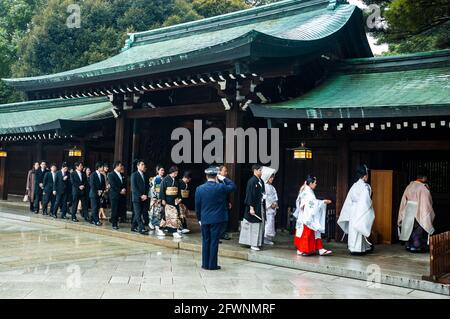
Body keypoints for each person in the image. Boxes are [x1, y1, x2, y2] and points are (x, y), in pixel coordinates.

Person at [195, 166, 236, 270]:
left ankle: (205, 264)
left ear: (206, 175)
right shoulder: (221, 187)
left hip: (204, 218)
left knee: (205, 241)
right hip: (217, 219)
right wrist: (223, 178)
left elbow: (197, 206)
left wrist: (199, 219)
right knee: (214, 241)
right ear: (216, 176)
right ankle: (212, 265)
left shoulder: (199, 189)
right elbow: (233, 186)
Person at [338, 165, 375, 255]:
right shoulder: (366, 187)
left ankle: (355, 247)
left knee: (354, 228)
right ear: (365, 176)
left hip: (353, 209)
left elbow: (348, 200)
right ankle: (358, 249)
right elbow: (367, 200)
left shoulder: (354, 186)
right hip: (361, 208)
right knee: (360, 226)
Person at [294, 175, 333, 256]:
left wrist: (320, 203)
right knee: (307, 233)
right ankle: (304, 249)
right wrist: (323, 202)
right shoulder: (307, 191)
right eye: (315, 183)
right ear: (311, 183)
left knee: (314, 232)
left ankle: (319, 248)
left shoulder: (306, 190)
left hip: (308, 214)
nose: (316, 184)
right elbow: (309, 203)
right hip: (307, 215)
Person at [398, 169, 435, 253]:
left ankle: (408, 245)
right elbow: (427, 202)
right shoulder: (423, 188)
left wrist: (403, 211)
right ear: (424, 178)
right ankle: (416, 246)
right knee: (418, 228)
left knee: (409, 228)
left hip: (408, 209)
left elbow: (404, 200)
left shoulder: (409, 186)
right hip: (419, 210)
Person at [239, 165, 266, 251]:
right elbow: (249, 195)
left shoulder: (261, 181)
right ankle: (253, 244)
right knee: (254, 225)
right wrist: (251, 207)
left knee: (259, 224)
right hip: (253, 206)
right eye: (260, 170)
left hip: (260, 205)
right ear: (255, 171)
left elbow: (263, 193)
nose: (261, 172)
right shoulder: (252, 181)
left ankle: (257, 242)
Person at [160, 165, 183, 239]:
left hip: (175, 199)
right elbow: (162, 190)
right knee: (168, 215)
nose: (176, 174)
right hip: (167, 199)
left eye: (177, 173)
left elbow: (178, 190)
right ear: (171, 172)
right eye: (175, 173)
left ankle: (161, 228)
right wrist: (163, 199)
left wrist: (180, 198)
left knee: (173, 215)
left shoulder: (176, 180)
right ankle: (174, 232)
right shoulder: (165, 179)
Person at [131, 160, 150, 235]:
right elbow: (134, 187)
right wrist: (140, 195)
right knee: (138, 213)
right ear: (138, 166)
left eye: (144, 164)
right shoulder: (134, 175)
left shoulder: (145, 175)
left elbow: (147, 186)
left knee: (139, 213)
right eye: (142, 164)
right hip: (137, 198)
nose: (143, 166)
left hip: (144, 197)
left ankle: (133, 227)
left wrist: (145, 195)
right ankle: (141, 228)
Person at [262, 166, 278, 245]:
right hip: (267, 208)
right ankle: (265, 238)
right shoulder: (264, 186)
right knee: (267, 223)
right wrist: (270, 205)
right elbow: (265, 197)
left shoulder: (272, 187)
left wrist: (275, 203)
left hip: (272, 208)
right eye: (270, 178)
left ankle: (269, 238)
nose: (272, 179)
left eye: (272, 178)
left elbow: (275, 197)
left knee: (271, 223)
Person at [108, 161, 127, 230]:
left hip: (121, 195)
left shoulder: (121, 174)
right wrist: (120, 190)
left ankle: (115, 220)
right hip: (114, 195)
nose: (121, 167)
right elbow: (113, 185)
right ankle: (114, 224)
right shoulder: (111, 174)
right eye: (120, 166)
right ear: (116, 166)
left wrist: (124, 189)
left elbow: (123, 183)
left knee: (119, 209)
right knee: (114, 209)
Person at [149, 165, 165, 236]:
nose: (163, 172)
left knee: (161, 212)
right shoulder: (156, 179)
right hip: (156, 198)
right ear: (157, 171)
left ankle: (156, 224)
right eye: (161, 170)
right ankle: (156, 226)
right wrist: (155, 197)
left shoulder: (163, 179)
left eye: (163, 170)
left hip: (161, 198)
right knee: (156, 212)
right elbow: (153, 189)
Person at [89, 162, 106, 226]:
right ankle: (96, 221)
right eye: (102, 167)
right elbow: (92, 184)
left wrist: (102, 191)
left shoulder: (102, 175)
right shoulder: (93, 174)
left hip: (100, 193)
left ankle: (92, 219)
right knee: (95, 207)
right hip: (93, 194)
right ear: (99, 167)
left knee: (97, 207)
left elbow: (103, 184)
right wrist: (97, 191)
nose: (103, 168)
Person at [218, 165, 232, 241]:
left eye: (227, 171)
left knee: (225, 218)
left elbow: (228, 191)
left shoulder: (225, 180)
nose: (226, 173)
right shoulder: (216, 180)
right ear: (220, 172)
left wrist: (229, 201)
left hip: (225, 202)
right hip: (218, 203)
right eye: (225, 171)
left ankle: (222, 234)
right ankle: (218, 235)